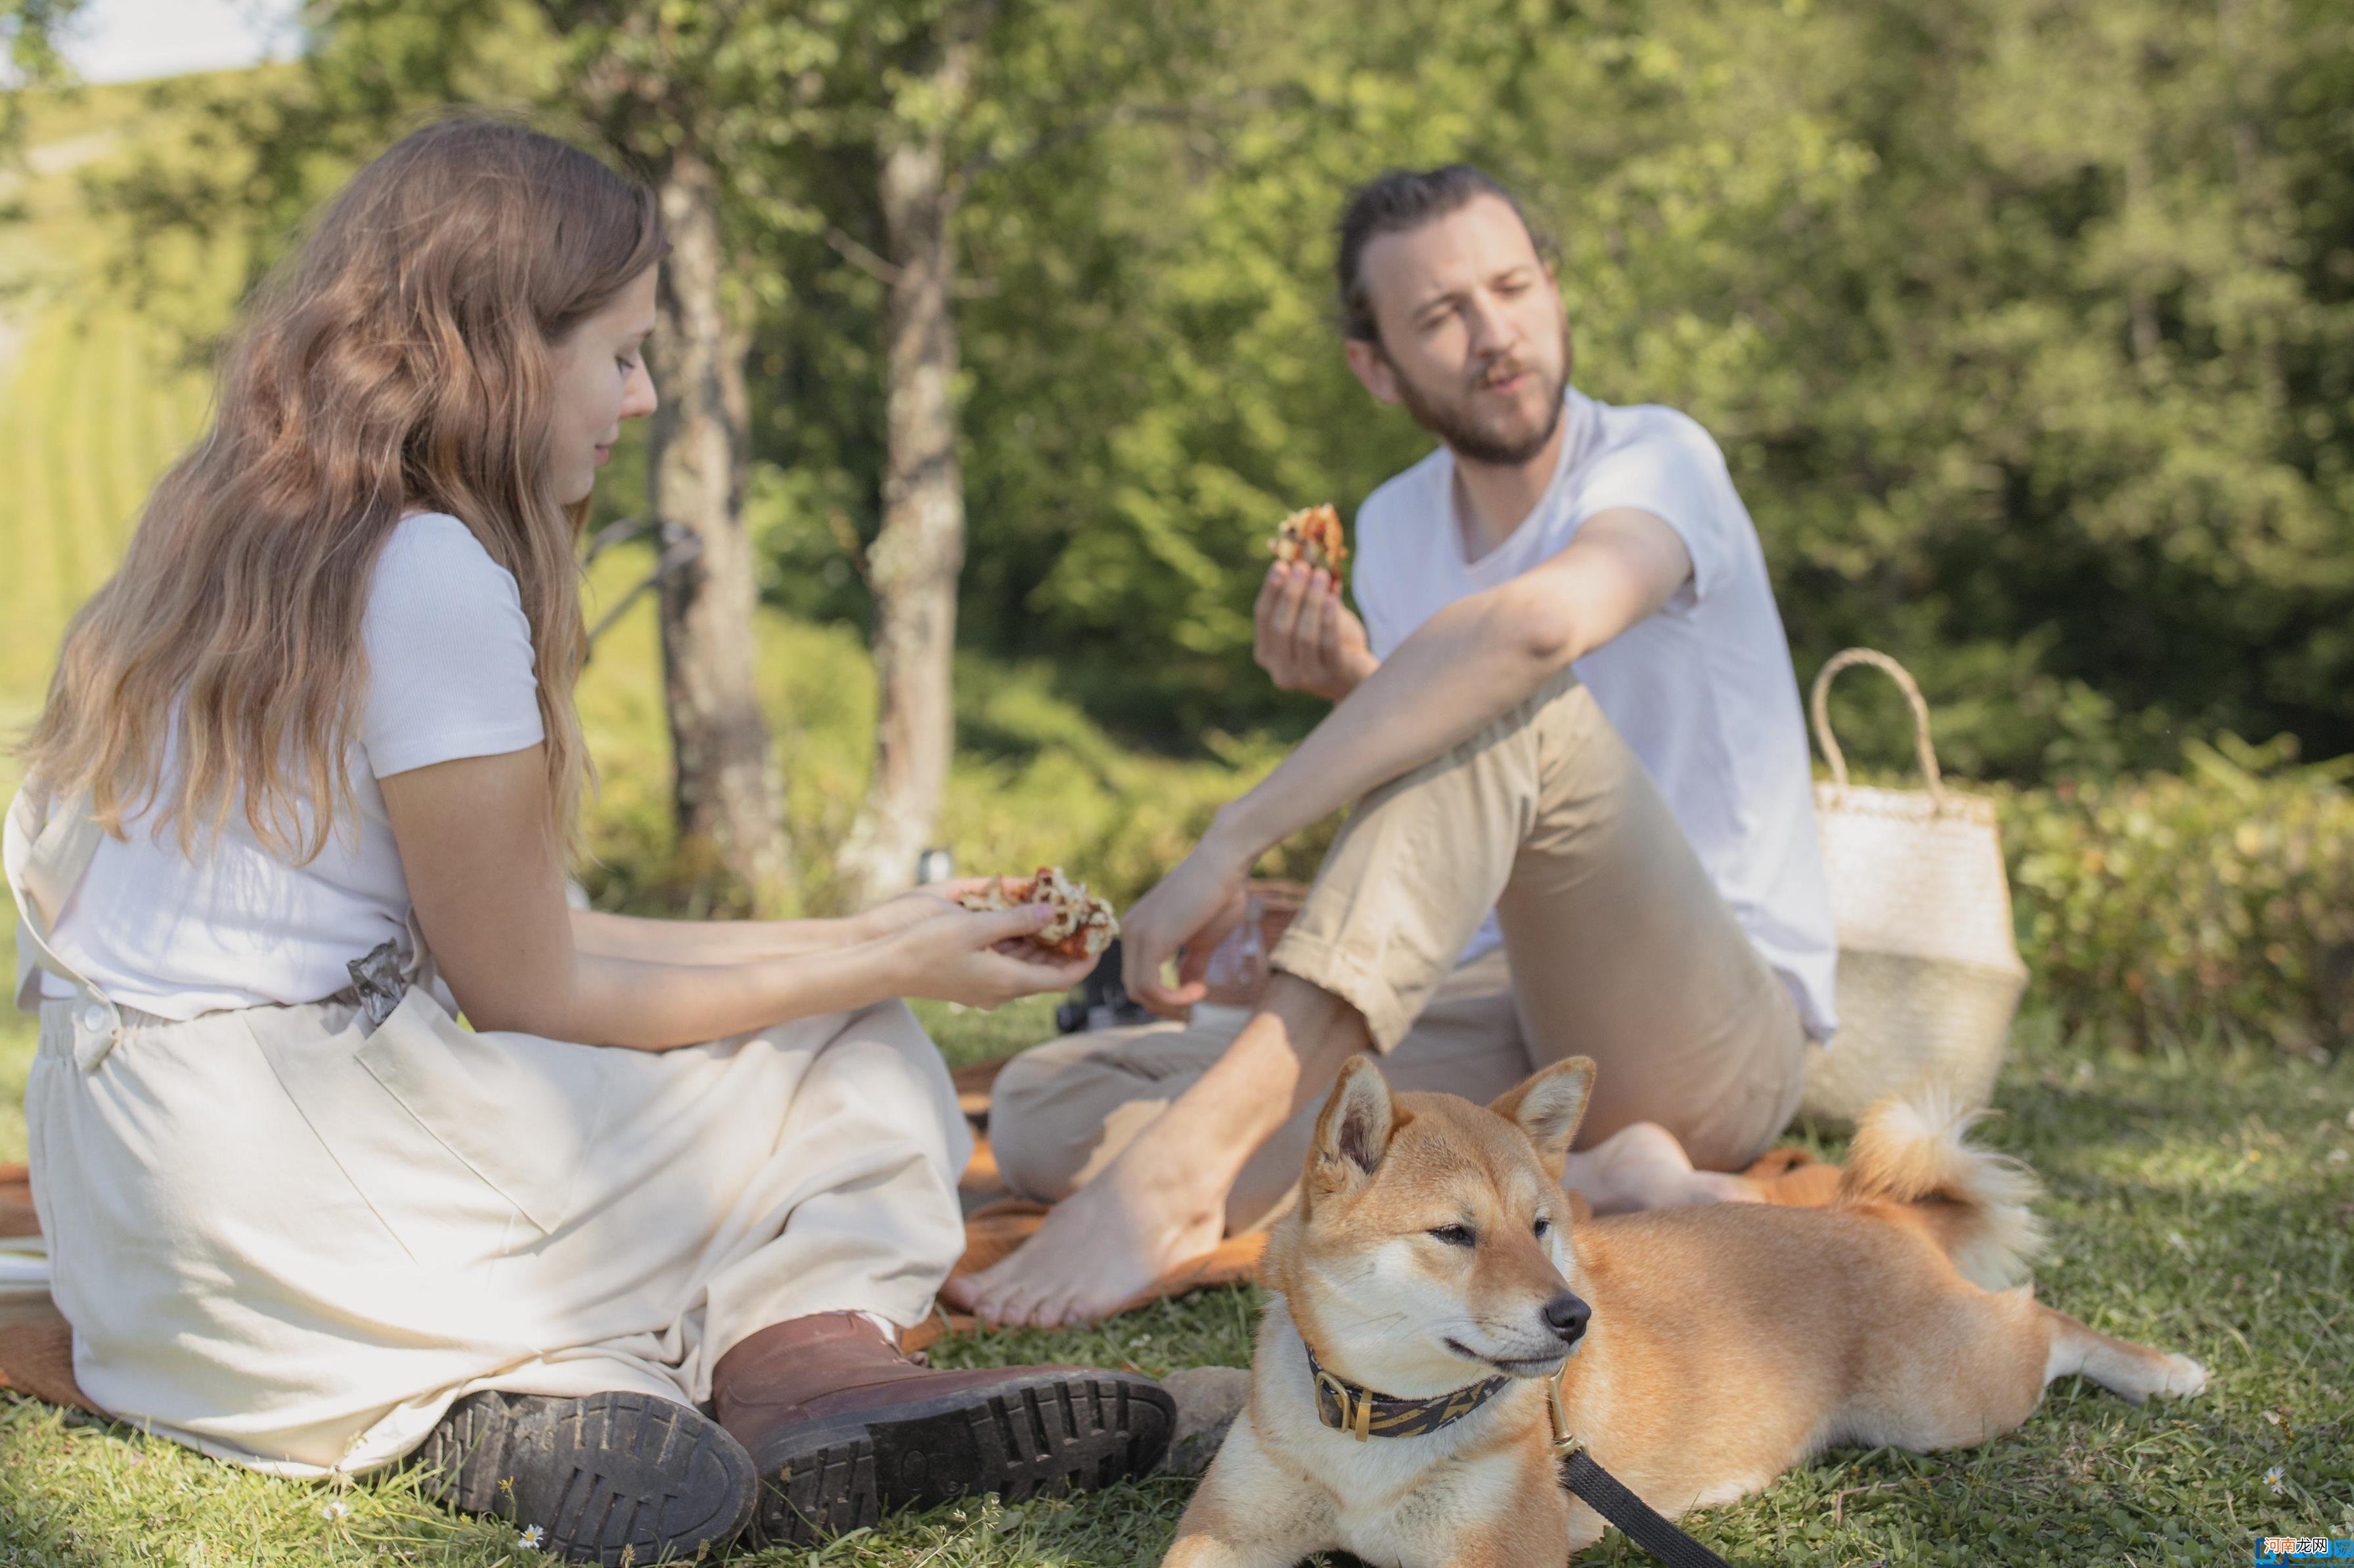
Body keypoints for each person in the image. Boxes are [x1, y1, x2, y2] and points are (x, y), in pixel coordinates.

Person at [3, 120, 1170, 1563]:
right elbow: (535, 988)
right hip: (293, 1178)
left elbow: (512, 936)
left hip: (146, 1234)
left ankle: (550, 1399)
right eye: (617, 353)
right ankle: (809, 1368)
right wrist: (880, 980)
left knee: (844, 1003)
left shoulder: (235, 535)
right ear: (499, 354)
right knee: (866, 1056)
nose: (643, 394)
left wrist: (885, 933)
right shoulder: (424, 567)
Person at [946, 164, 1840, 1329]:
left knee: (1505, 690)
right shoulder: (1396, 522)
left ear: (1555, 292)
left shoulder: (1661, 460)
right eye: (1440, 315)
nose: (1494, 334)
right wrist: (1358, 693)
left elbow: (1531, 637)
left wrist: (1232, 844)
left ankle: (1180, 1179)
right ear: (1377, 366)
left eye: (1513, 288)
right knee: (1046, 1105)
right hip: (1501, 999)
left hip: (1705, 1025)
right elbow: (1466, 805)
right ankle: (1597, 1181)